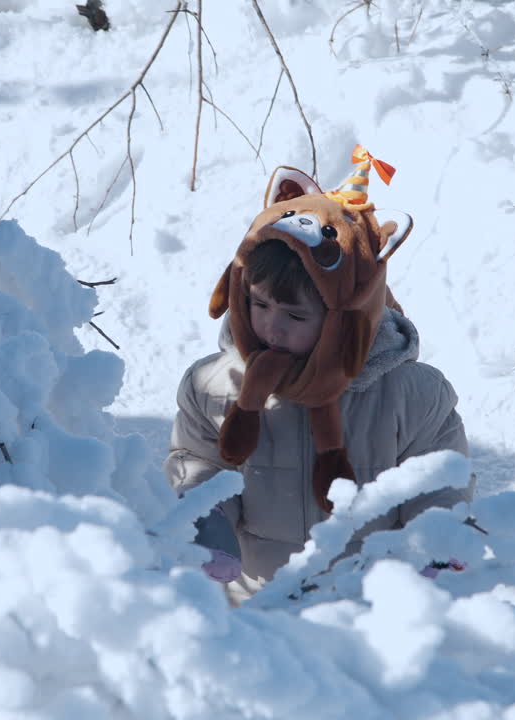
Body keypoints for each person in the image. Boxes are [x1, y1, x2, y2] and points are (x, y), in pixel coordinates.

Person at [164, 146, 471, 604]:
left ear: (344, 317)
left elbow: (438, 480)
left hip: (369, 604)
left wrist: (434, 542)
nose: (272, 327)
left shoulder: (412, 394)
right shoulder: (213, 386)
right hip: (255, 603)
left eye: (295, 315)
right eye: (259, 305)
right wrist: (208, 524)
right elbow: (198, 462)